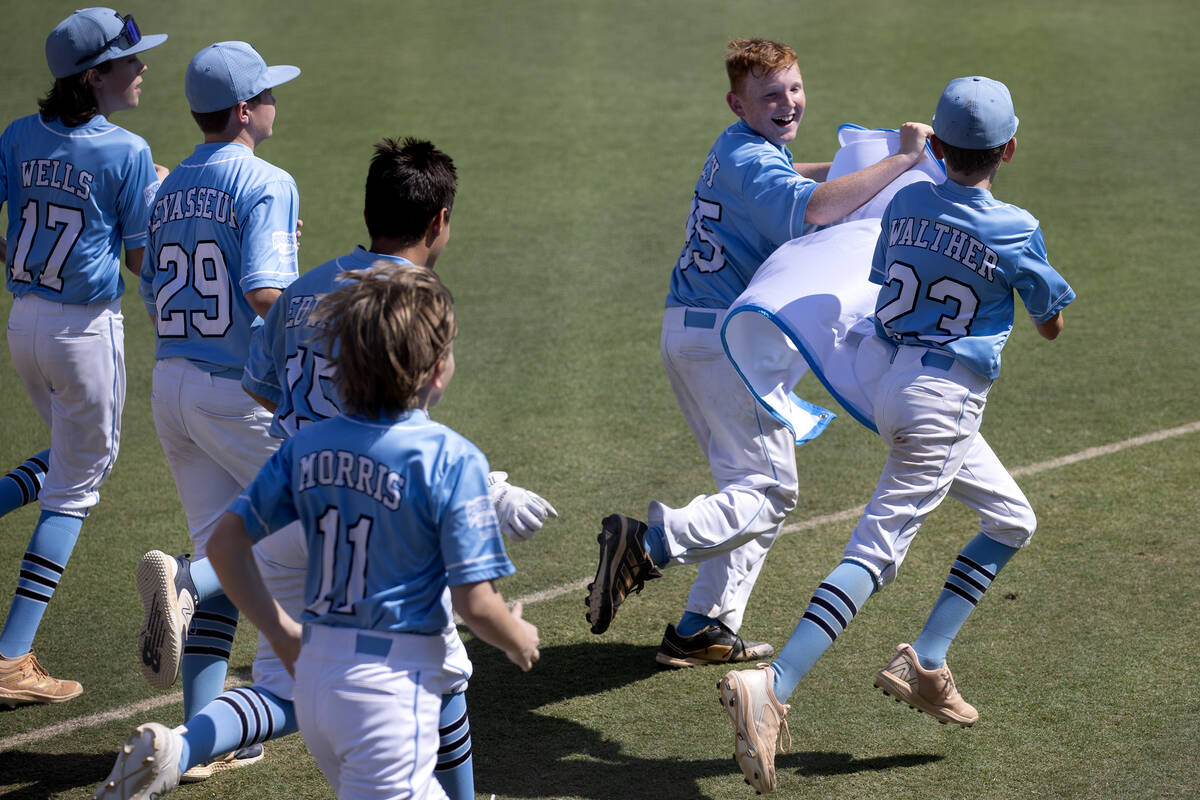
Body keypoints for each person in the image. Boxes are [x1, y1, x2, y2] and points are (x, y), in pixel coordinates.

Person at [101, 137, 554, 800]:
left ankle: (184, 742)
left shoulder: (305, 289)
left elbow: (262, 389)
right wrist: (491, 495)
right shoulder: (417, 301)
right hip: (377, 533)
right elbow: (467, 580)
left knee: (287, 684)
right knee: (447, 665)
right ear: (440, 223)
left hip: (293, 498)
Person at [718, 76, 1076, 794]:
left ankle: (927, 662)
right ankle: (775, 682)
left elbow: (886, 275)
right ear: (1010, 148)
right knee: (875, 555)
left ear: (936, 145)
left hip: (890, 382)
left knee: (1011, 519)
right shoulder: (1015, 225)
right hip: (940, 407)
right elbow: (1050, 321)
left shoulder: (910, 197)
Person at [585, 37, 934, 668]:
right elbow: (815, 210)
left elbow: (801, 178)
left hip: (692, 330)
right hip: (723, 340)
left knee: (749, 488)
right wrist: (906, 158)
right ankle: (651, 542)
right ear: (737, 103)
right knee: (769, 492)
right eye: (770, 95)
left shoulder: (738, 146)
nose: (788, 102)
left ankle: (704, 627)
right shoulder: (755, 162)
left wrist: (870, 166)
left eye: (795, 88)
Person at [206, 264, 536, 800]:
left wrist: (282, 633)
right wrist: (519, 637)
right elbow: (475, 604)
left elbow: (224, 546)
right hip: (389, 696)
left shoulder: (303, 447)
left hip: (316, 684)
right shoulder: (451, 457)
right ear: (435, 369)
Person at [134, 39, 300, 774]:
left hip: (172, 387)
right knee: (310, 518)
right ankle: (186, 583)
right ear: (243, 111)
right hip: (240, 392)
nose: (275, 104)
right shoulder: (266, 180)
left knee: (221, 542)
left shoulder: (166, 190)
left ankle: (202, 741)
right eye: (268, 93)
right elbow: (267, 294)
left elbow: (150, 293)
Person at [0, 7, 166, 707]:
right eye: (130, 61)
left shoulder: (15, 136)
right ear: (95, 76)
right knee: (77, 485)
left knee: (70, 459)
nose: (142, 69)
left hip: (24, 322)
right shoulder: (124, 152)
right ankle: (10, 657)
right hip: (83, 334)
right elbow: (139, 259)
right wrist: (160, 197)